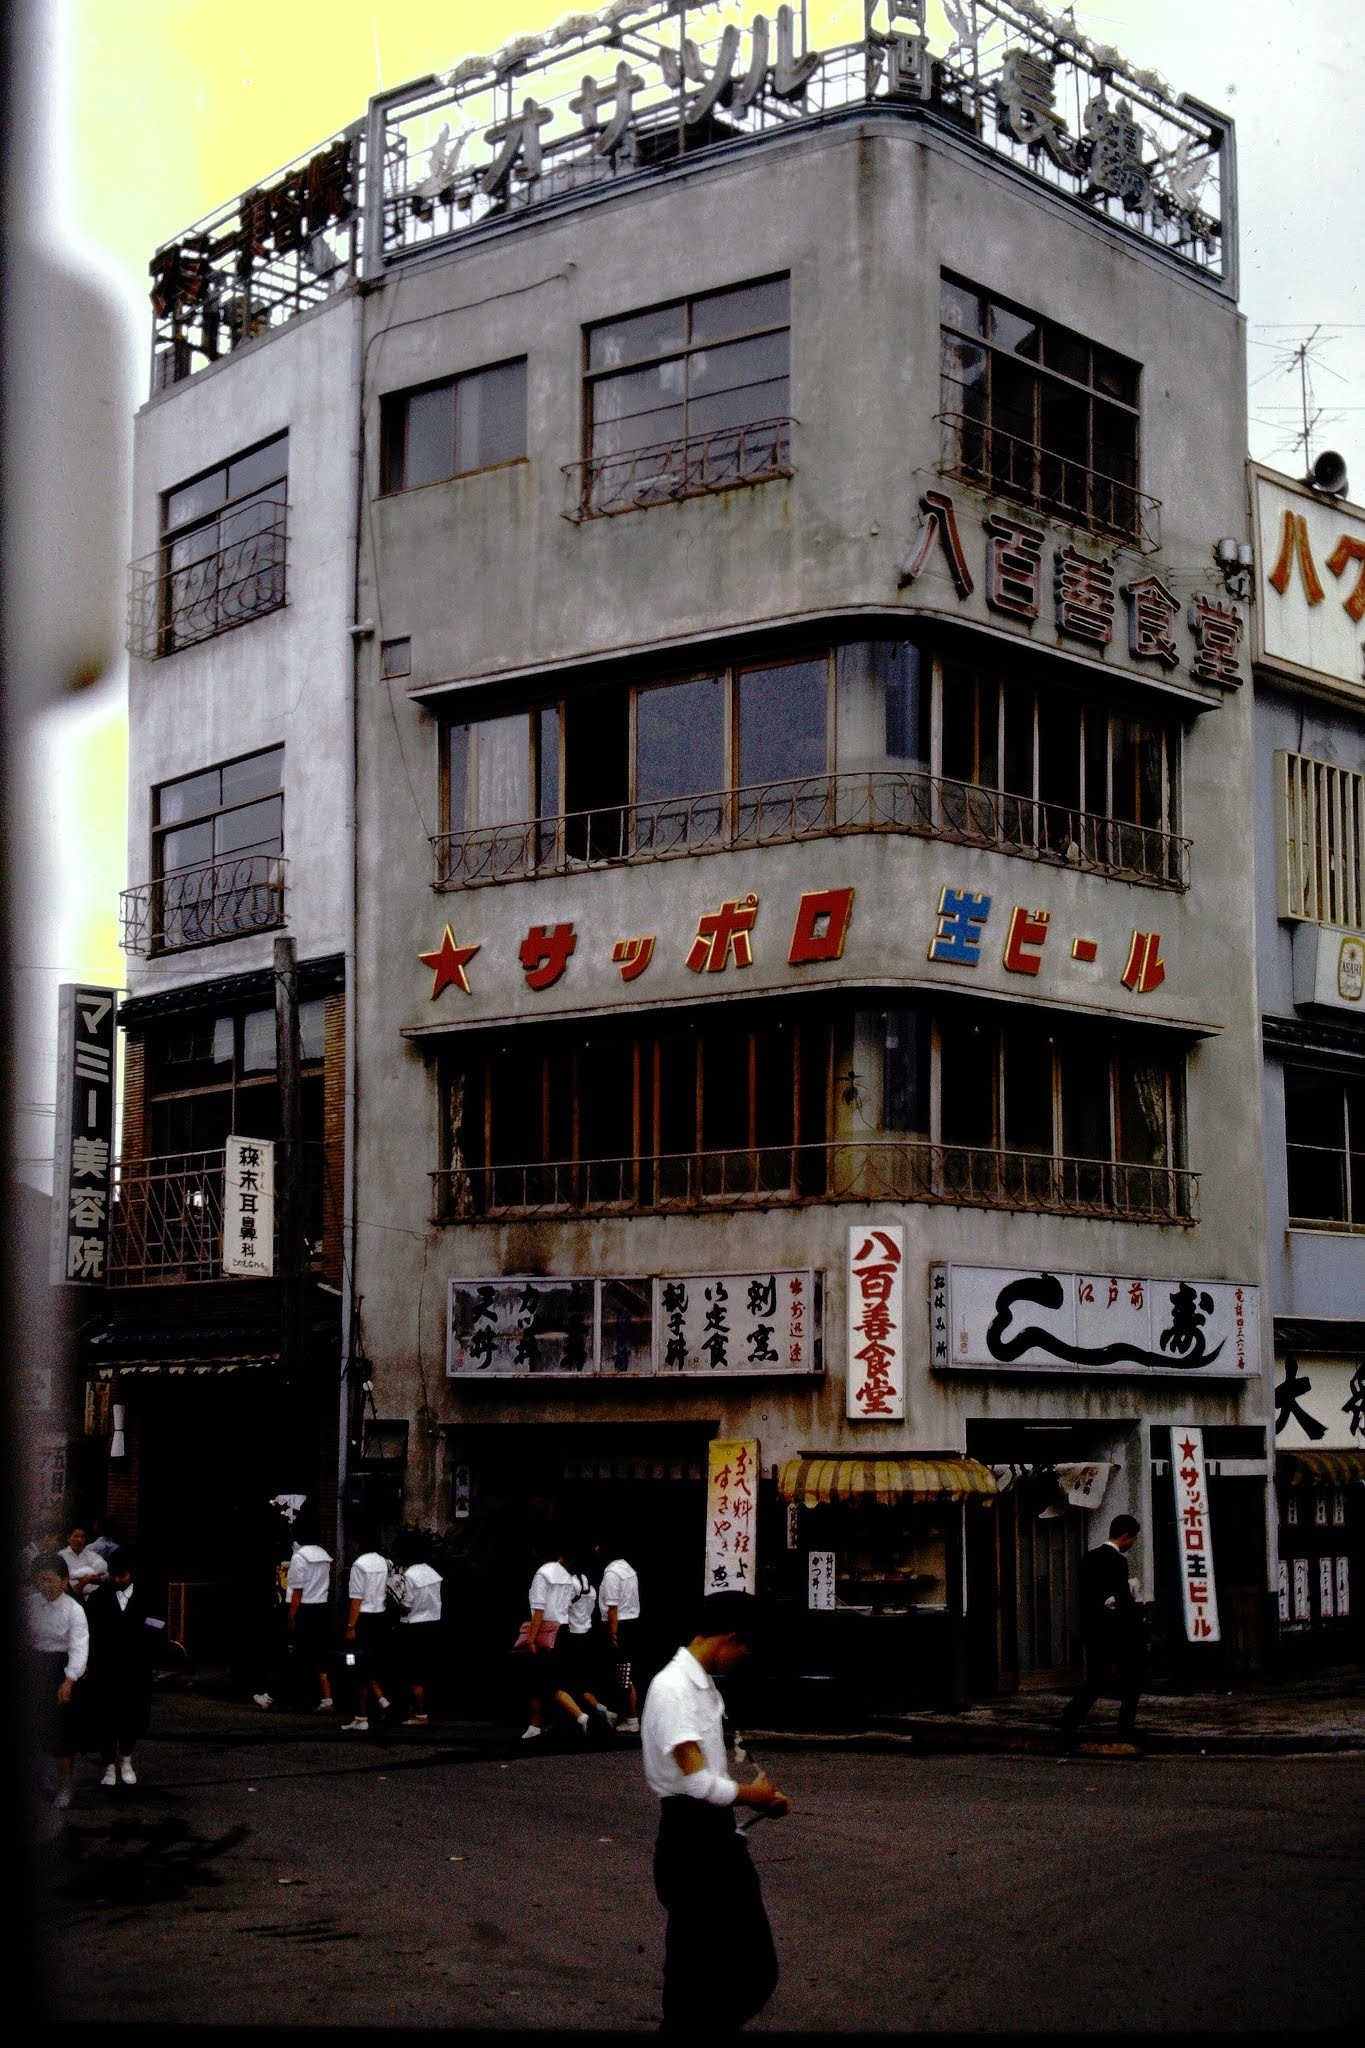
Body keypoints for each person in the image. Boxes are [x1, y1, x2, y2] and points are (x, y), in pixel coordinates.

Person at [642, 1592, 790, 2033]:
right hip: (691, 1842)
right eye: (745, 1647)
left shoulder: (703, 1688)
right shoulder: (672, 1689)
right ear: (729, 1637)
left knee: (742, 1969)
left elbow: (717, 1770)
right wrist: (754, 1796)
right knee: (700, 1977)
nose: (745, 1658)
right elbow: (696, 1782)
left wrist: (756, 1796)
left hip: (716, 1837)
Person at [1059, 1513, 1145, 1745]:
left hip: (1092, 1627)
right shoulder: (1118, 1562)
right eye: (1132, 1539)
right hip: (1115, 1631)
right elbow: (1121, 1600)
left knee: (1097, 1680)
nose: (1131, 1544)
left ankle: (1070, 1718)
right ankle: (1125, 1727)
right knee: (1132, 1680)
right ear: (1126, 1536)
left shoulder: (1089, 1558)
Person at [84, 1550, 161, 1788]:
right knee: (105, 1718)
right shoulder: (97, 1599)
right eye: (114, 1575)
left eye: (123, 1575)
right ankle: (108, 1765)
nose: (118, 1580)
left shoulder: (148, 1597)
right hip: (105, 1669)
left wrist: (148, 1654)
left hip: (135, 1669)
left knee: (132, 1716)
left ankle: (126, 1760)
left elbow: (158, 1629)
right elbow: (88, 1633)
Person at [26, 1553, 89, 1810]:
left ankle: (65, 1785)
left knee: (62, 1737)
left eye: (52, 1580)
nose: (46, 1585)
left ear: (64, 1581)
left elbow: (79, 1647)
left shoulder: (74, 1610)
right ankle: (41, 1780)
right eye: (42, 1580)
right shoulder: (29, 1605)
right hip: (33, 1666)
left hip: (60, 1670)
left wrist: (69, 1679)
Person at [518, 1548, 590, 1742]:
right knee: (544, 1680)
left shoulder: (542, 1575)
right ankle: (535, 1724)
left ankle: (580, 1717)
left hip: (546, 1632)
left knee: (545, 1683)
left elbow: (539, 1610)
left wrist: (531, 1638)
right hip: (563, 1629)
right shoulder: (566, 1576)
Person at [273, 1521, 334, 1713]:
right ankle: (326, 1697)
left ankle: (275, 1695)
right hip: (322, 1608)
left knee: (296, 1654)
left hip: (305, 1609)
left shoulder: (300, 1557)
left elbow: (297, 1591)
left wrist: (292, 1616)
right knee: (318, 1654)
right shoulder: (324, 1556)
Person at [341, 1536, 395, 1731]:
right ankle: (379, 1698)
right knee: (372, 1662)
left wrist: (350, 1626)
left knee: (357, 1666)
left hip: (364, 1618)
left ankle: (363, 1714)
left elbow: (356, 1599)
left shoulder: (359, 1565)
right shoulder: (384, 1562)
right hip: (380, 1616)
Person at [389, 1552, 443, 1725]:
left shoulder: (410, 1576)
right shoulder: (433, 1573)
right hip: (433, 1623)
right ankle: (427, 1710)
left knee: (412, 1671)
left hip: (413, 1625)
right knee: (428, 1669)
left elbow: (406, 1606)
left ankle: (418, 1713)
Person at [598, 1545, 642, 1734]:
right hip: (631, 1622)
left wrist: (613, 1634)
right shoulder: (628, 1569)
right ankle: (624, 1715)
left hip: (620, 1625)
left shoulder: (612, 1574)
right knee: (624, 1673)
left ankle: (632, 1718)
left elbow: (612, 1607)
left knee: (624, 1675)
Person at [58, 1523, 109, 1600]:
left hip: (93, 1596)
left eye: (82, 1537)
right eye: (76, 1536)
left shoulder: (90, 1554)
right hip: (70, 1596)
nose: (80, 1540)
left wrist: (88, 1578)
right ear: (68, 1538)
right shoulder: (62, 1555)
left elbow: (104, 1572)